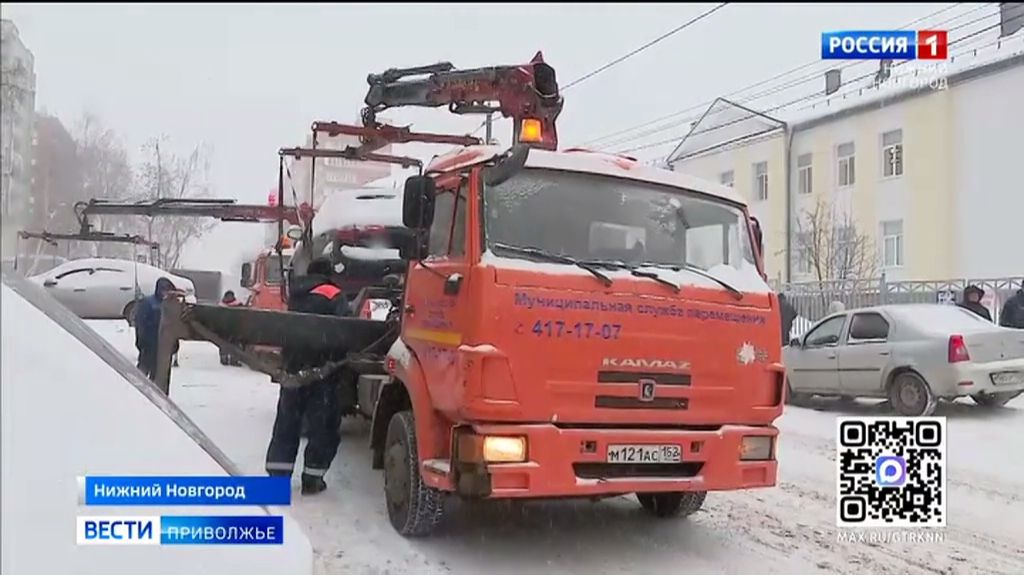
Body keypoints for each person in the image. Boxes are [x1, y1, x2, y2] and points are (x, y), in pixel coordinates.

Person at [265, 257, 350, 495]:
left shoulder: (296, 294)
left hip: (294, 369)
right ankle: (312, 480)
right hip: (322, 372)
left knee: (287, 424)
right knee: (323, 427)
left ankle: (277, 480)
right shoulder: (333, 293)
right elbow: (348, 329)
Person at [134, 277, 177, 380]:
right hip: (149, 345)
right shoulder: (148, 302)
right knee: (141, 374)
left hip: (163, 347)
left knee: (158, 376)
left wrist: (174, 345)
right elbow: (140, 323)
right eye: (164, 290)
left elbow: (175, 327)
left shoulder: (171, 305)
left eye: (169, 291)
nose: (166, 293)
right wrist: (141, 341)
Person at [219, 290, 245, 366]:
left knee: (226, 343)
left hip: (227, 328)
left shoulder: (221, 306)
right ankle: (231, 359)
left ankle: (229, 359)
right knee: (232, 344)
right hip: (234, 328)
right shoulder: (238, 305)